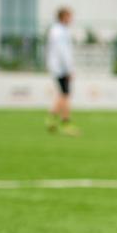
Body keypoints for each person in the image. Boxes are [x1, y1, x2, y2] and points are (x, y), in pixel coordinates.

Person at [45, 7, 79, 136]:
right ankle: (66, 124)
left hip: (58, 67)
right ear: (63, 17)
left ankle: (51, 119)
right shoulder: (59, 32)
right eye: (69, 16)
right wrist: (69, 69)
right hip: (61, 68)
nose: (71, 19)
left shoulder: (58, 30)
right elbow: (62, 52)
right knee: (65, 96)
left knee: (63, 95)